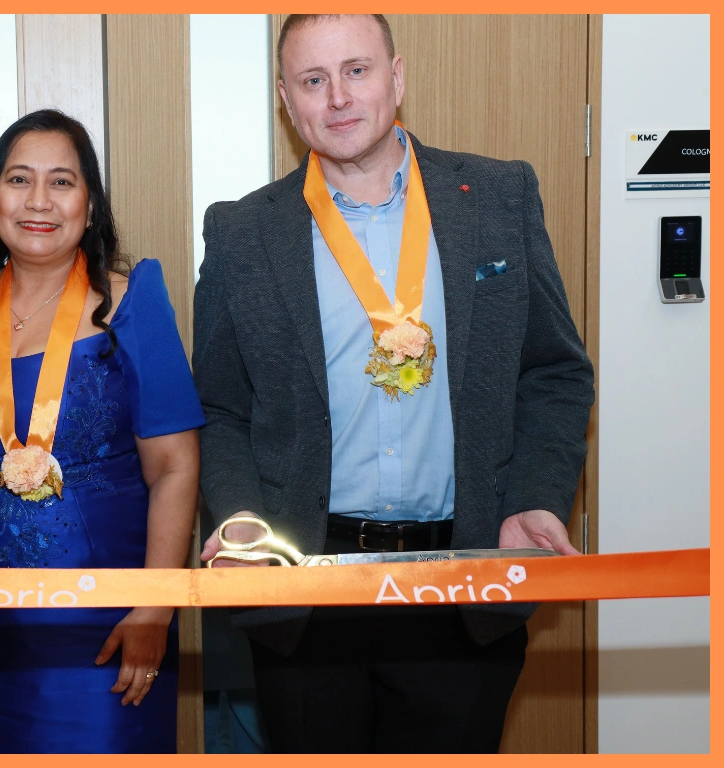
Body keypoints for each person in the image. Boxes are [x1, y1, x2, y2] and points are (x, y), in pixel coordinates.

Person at [194, 14, 594, 754]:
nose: (338, 97)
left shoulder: (497, 198)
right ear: (286, 99)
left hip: (465, 585)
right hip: (306, 595)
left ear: (397, 76)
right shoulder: (242, 232)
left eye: (357, 70)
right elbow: (220, 408)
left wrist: (534, 498)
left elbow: (554, 373)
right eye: (313, 80)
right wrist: (241, 516)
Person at [0, 109, 203, 753]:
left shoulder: (132, 300)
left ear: (89, 205)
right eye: (19, 179)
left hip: (107, 618)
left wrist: (156, 607)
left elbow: (175, 467)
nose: (38, 200)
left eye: (62, 182)